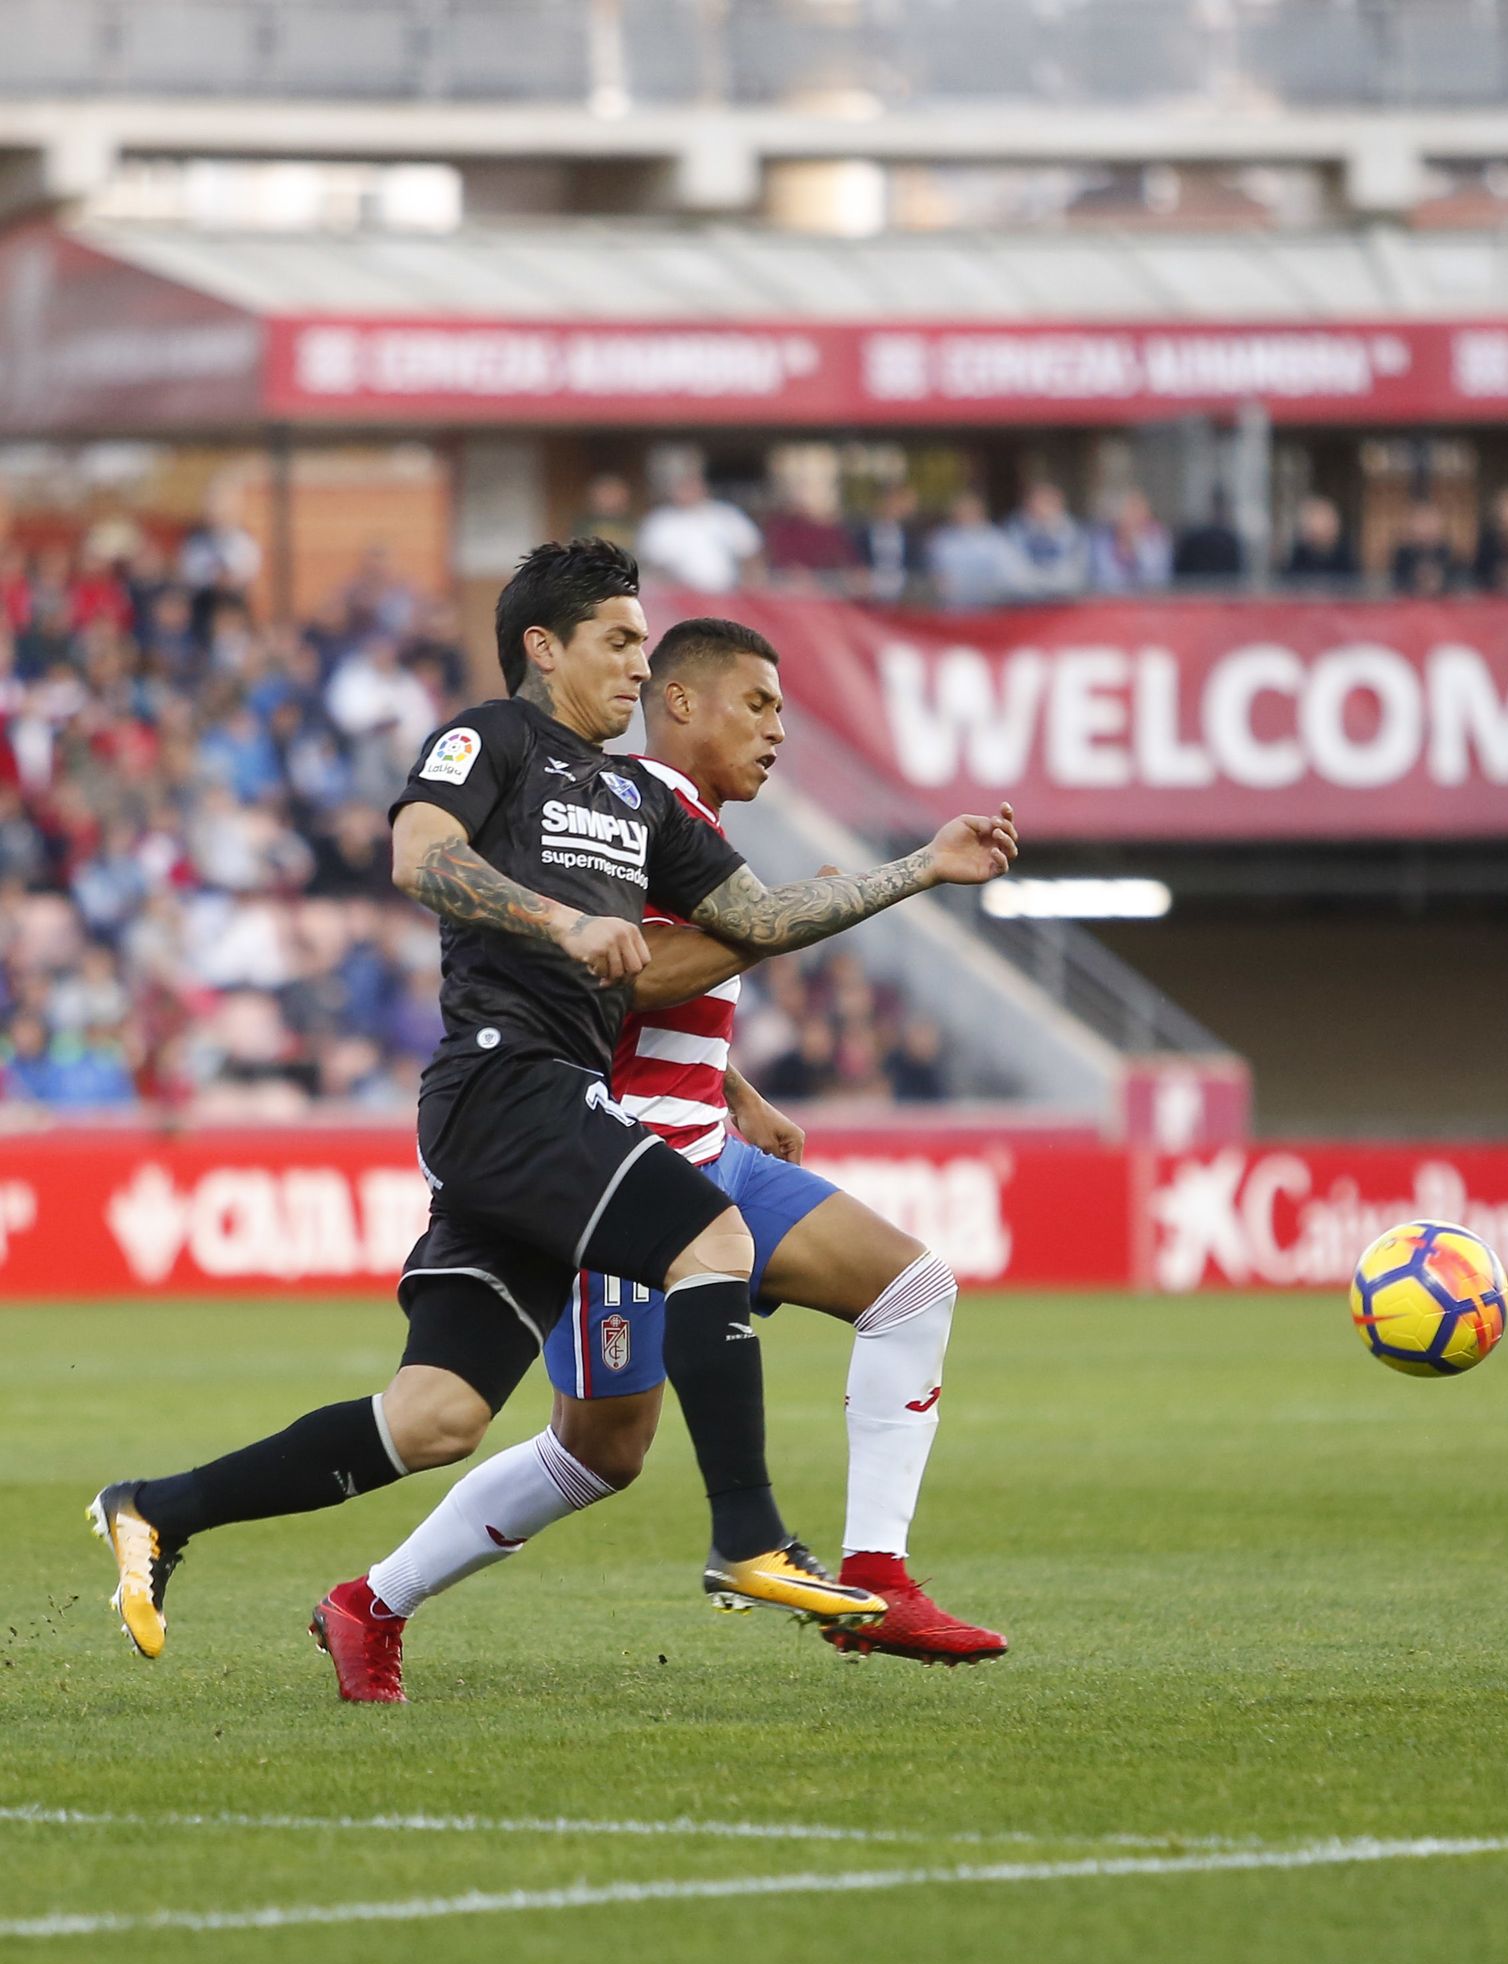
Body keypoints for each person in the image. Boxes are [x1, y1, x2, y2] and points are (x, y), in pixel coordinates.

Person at [88, 539, 1016, 1690]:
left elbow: (761, 922)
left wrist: (921, 867)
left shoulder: (634, 797)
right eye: (619, 641)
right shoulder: (495, 738)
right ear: (545, 647)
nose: (637, 664)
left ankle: (156, 1510)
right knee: (710, 1244)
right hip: (502, 1082)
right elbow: (418, 853)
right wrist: (559, 924)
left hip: (553, 1106)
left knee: (433, 1419)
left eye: (643, 641)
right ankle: (749, 1541)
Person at [327, 618, 1006, 1693]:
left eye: (781, 711)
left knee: (910, 1289)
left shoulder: (684, 816)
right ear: (679, 703)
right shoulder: (618, 803)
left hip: (712, 1147)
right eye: (758, 705)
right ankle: (370, 1601)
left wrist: (738, 1089)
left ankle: (879, 1581)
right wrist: (803, 914)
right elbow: (626, 978)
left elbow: (658, 988)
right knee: (600, 1452)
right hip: (620, 1168)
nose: (777, 731)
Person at [635, 466, 762, 595]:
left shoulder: (726, 515)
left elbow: (749, 552)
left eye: (693, 487)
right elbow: (653, 564)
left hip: (726, 594)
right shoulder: (660, 522)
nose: (688, 492)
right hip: (680, 596)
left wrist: (751, 586)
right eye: (683, 488)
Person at [1004, 480, 1089, 597]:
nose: (1044, 508)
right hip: (1023, 603)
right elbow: (1014, 576)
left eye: (1049, 502)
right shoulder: (1011, 532)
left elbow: (1076, 575)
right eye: (1040, 502)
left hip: (1065, 602)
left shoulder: (1075, 533)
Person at [1089, 490, 1172, 593]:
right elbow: (1102, 578)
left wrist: (1137, 545)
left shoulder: (1158, 537)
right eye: (1128, 510)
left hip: (1147, 601)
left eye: (1137, 509)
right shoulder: (1102, 538)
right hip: (1112, 601)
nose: (1132, 516)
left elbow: (1155, 577)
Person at [1389, 497, 1460, 598]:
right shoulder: (1404, 552)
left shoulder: (1447, 551)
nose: (1426, 527)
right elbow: (1396, 583)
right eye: (1421, 521)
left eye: (1430, 522)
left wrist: (1439, 583)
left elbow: (1459, 582)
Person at [1281, 495, 1356, 588]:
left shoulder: (1345, 556)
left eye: (1325, 520)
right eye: (1315, 519)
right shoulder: (1299, 556)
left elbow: (1352, 587)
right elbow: (1289, 585)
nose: (1319, 526)